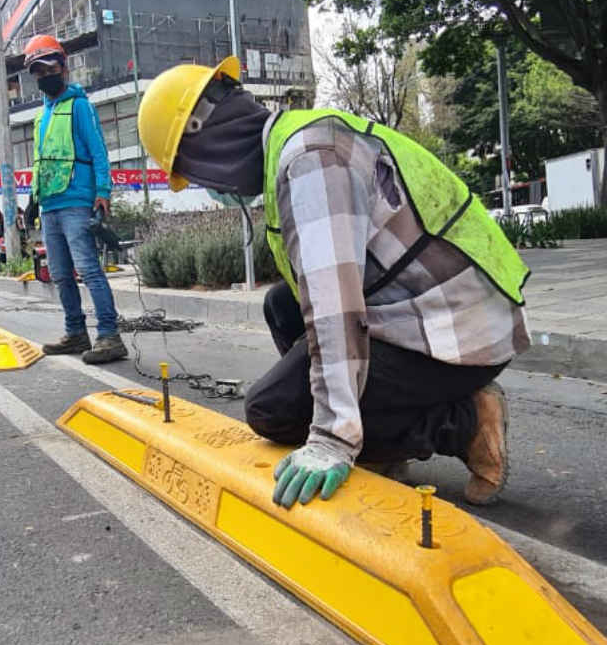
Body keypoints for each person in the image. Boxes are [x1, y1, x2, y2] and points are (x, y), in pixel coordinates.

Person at [137, 56, 531, 508]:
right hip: (447, 309)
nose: (210, 187)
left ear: (208, 146)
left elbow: (335, 309)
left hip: (459, 333)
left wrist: (330, 437)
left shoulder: (311, 160)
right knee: (282, 305)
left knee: (273, 411)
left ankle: (463, 423)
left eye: (197, 173)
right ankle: (384, 444)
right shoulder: (295, 143)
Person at [24, 34, 127, 365]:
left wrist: (103, 192)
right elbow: (41, 161)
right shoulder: (41, 116)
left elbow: (98, 151)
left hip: (77, 202)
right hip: (50, 205)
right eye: (37, 72)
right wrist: (32, 200)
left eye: (48, 68)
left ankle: (110, 336)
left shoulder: (80, 106)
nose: (44, 76)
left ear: (62, 67)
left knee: (88, 269)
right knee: (60, 274)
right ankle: (76, 332)